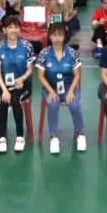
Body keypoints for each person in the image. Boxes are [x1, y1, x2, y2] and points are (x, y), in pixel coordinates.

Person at [36, 22, 86, 154]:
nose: (57, 38)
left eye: (60, 35)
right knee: (53, 104)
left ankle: (80, 133)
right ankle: (54, 136)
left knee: (74, 105)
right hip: (50, 86)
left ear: (64, 37)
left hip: (69, 86)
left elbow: (77, 75)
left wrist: (71, 92)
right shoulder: (44, 53)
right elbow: (40, 76)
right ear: (50, 36)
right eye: (54, 35)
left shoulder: (72, 53)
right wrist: (51, 91)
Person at [0, 15, 36, 153]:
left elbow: (30, 70)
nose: (13, 30)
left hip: (22, 83)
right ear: (4, 30)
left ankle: (20, 136)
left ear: (19, 29)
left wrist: (22, 79)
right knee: (4, 100)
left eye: (16, 27)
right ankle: (2, 138)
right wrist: (4, 90)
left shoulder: (27, 46)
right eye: (10, 27)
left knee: (16, 100)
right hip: (2, 83)